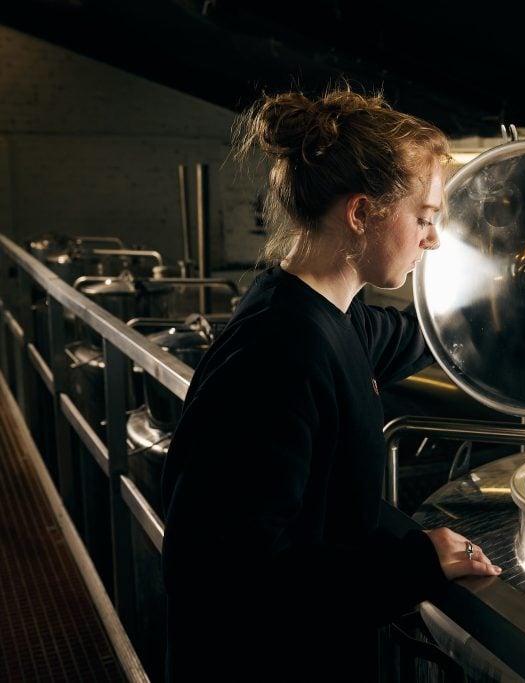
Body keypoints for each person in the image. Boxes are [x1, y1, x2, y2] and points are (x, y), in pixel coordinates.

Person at [160, 85, 501, 682]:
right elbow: (237, 581)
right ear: (361, 212)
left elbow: (405, 338)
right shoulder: (277, 357)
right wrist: (416, 563)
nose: (434, 238)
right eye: (423, 218)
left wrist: (496, 303)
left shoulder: (321, 313)